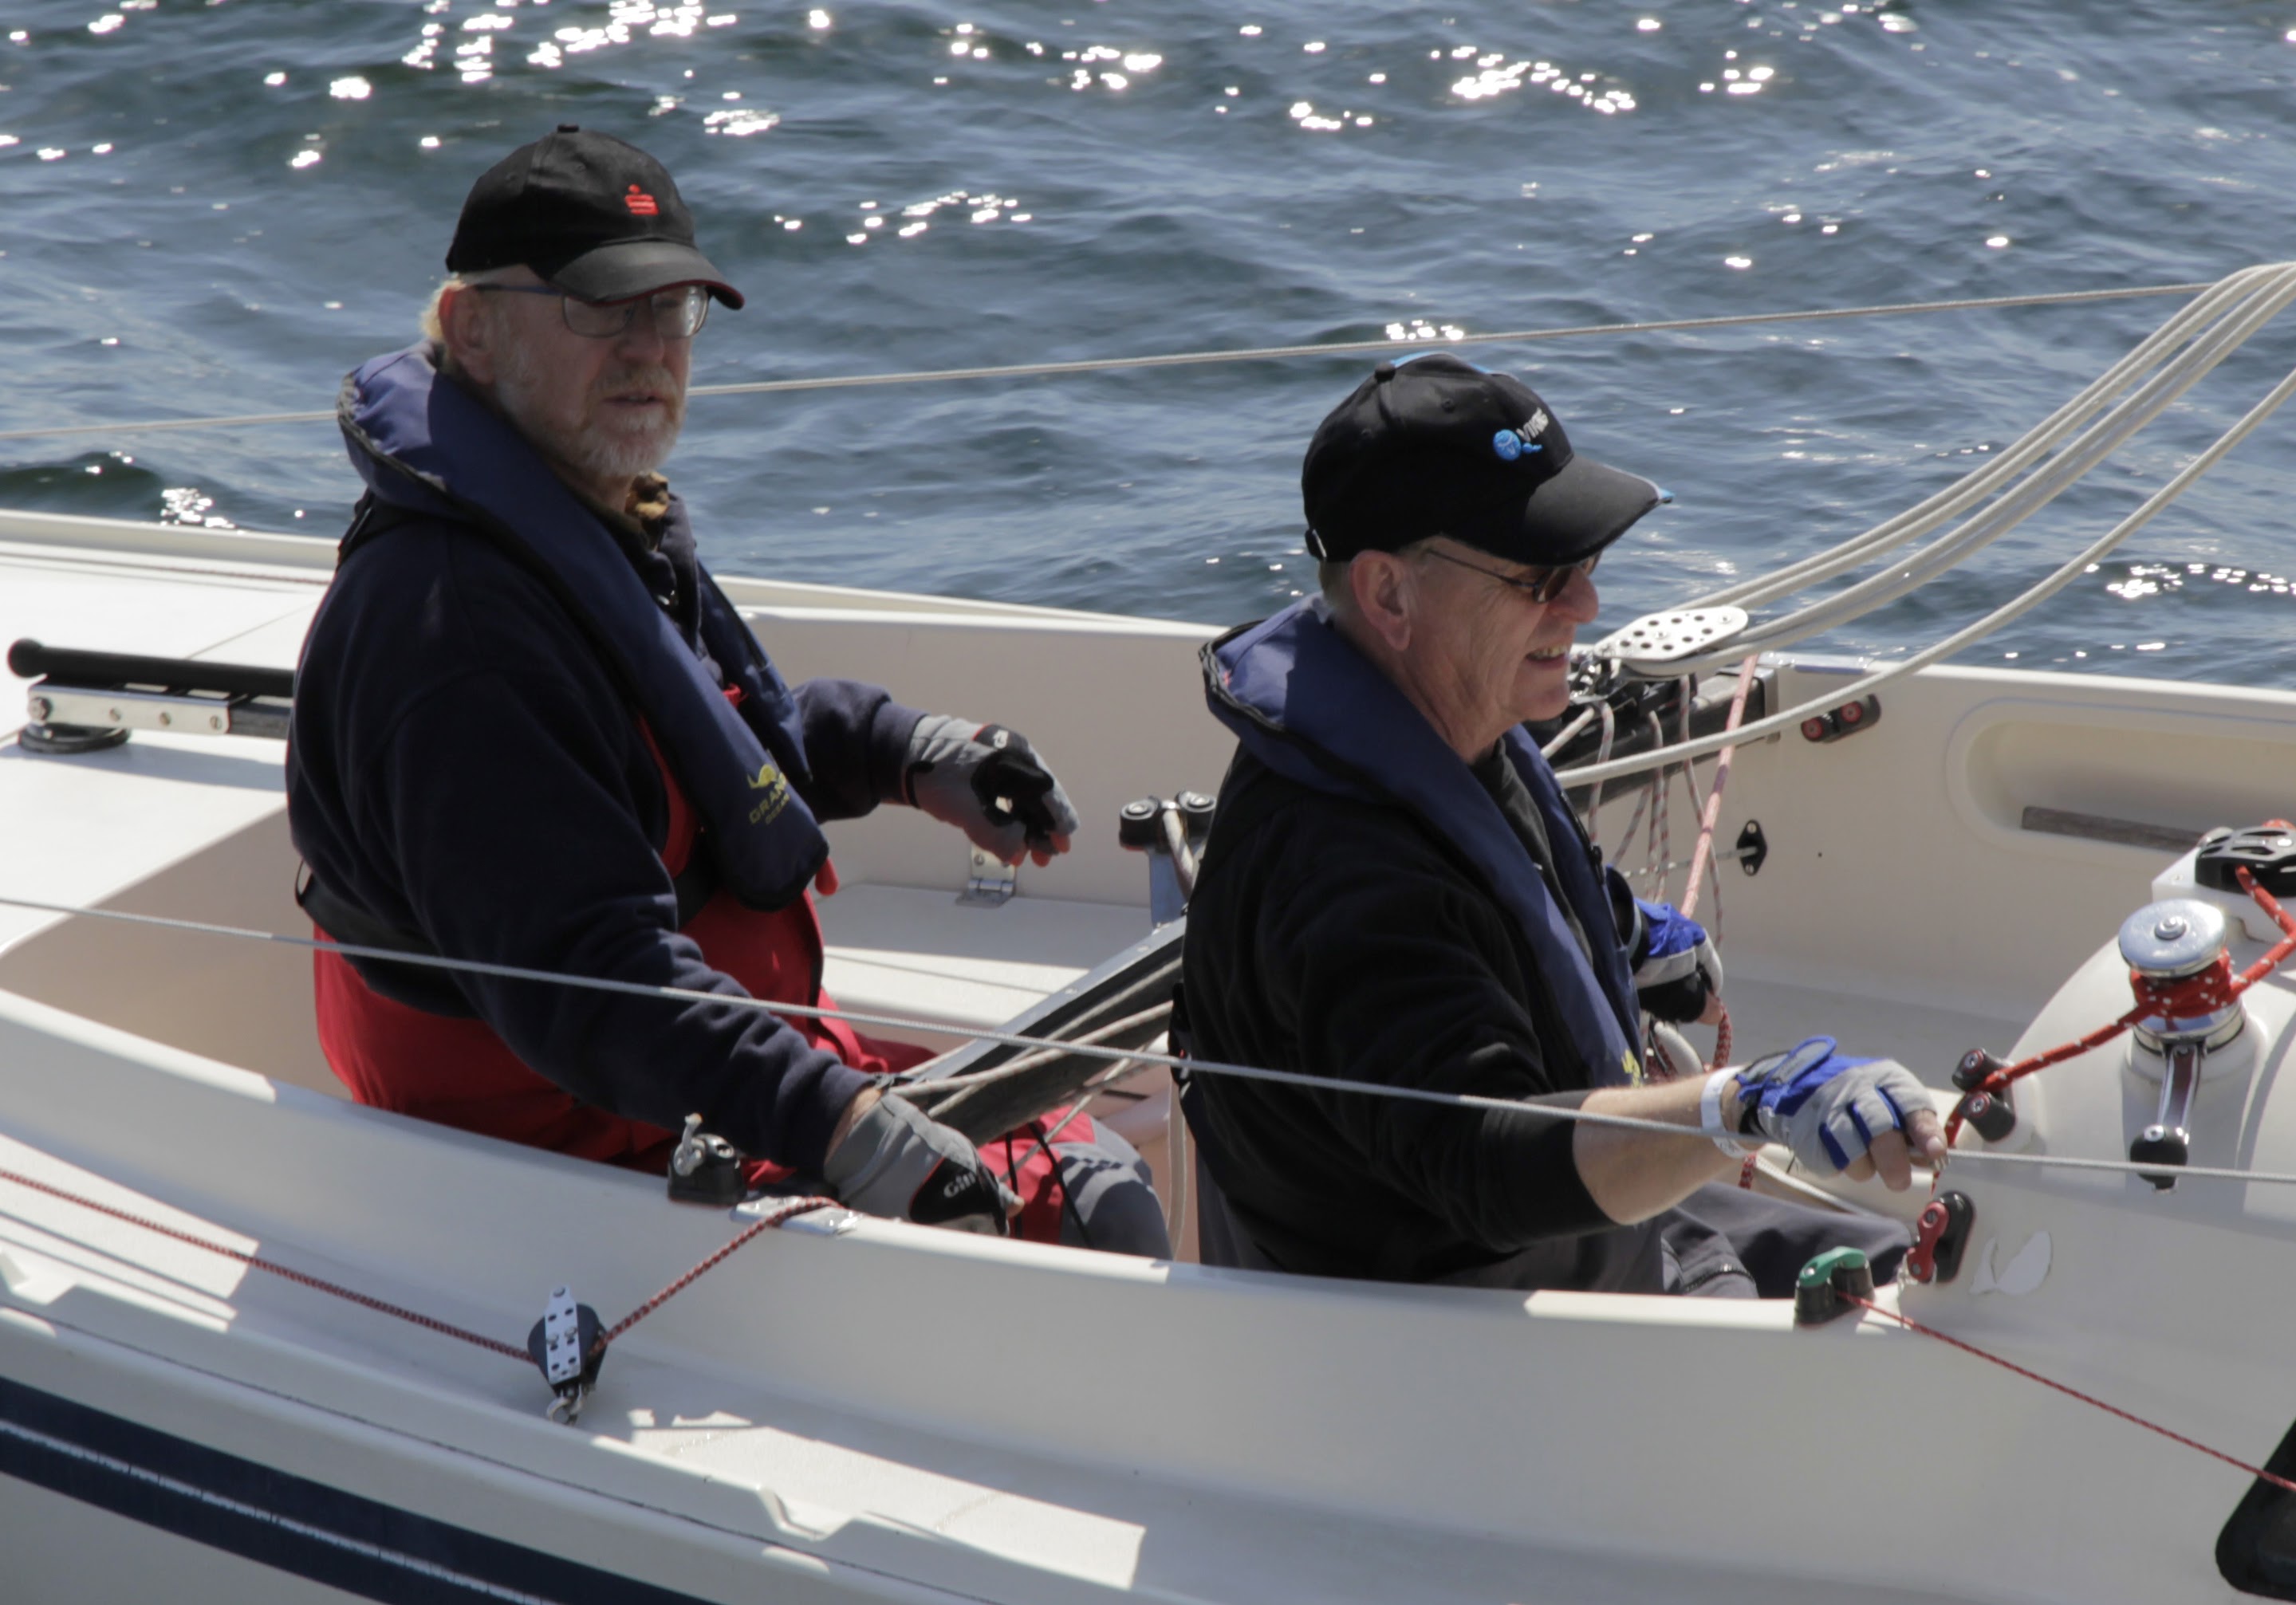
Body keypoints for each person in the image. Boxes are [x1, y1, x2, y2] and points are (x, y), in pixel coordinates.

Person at [287, 125, 1165, 1253]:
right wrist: (841, 1124)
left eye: (673, 309)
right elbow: (594, 986)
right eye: (602, 309)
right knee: (1098, 1203)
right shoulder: (455, 631)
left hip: (709, 1091)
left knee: (1099, 1160)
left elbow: (706, 739)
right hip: (587, 1161)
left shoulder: (576, 515)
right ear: (474, 329)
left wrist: (907, 750)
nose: (649, 349)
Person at [1179, 353, 1939, 1292]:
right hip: (1477, 1322)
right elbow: (1485, 1158)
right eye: (1539, 577)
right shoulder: (1341, 877)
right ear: (1387, 595)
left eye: (1583, 562)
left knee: (1937, 1273)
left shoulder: (1448, 718)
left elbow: (1503, 883)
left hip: (1607, 1239)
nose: (1585, 603)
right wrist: (1736, 1107)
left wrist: (1623, 934)